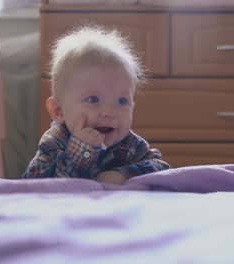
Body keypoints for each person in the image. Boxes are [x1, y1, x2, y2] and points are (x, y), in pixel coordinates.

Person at [22, 25, 170, 184]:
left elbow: (163, 170)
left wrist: (123, 174)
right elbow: (35, 185)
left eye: (121, 101)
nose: (109, 112)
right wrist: (82, 150)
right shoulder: (55, 142)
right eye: (93, 100)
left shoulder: (130, 144)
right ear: (59, 111)